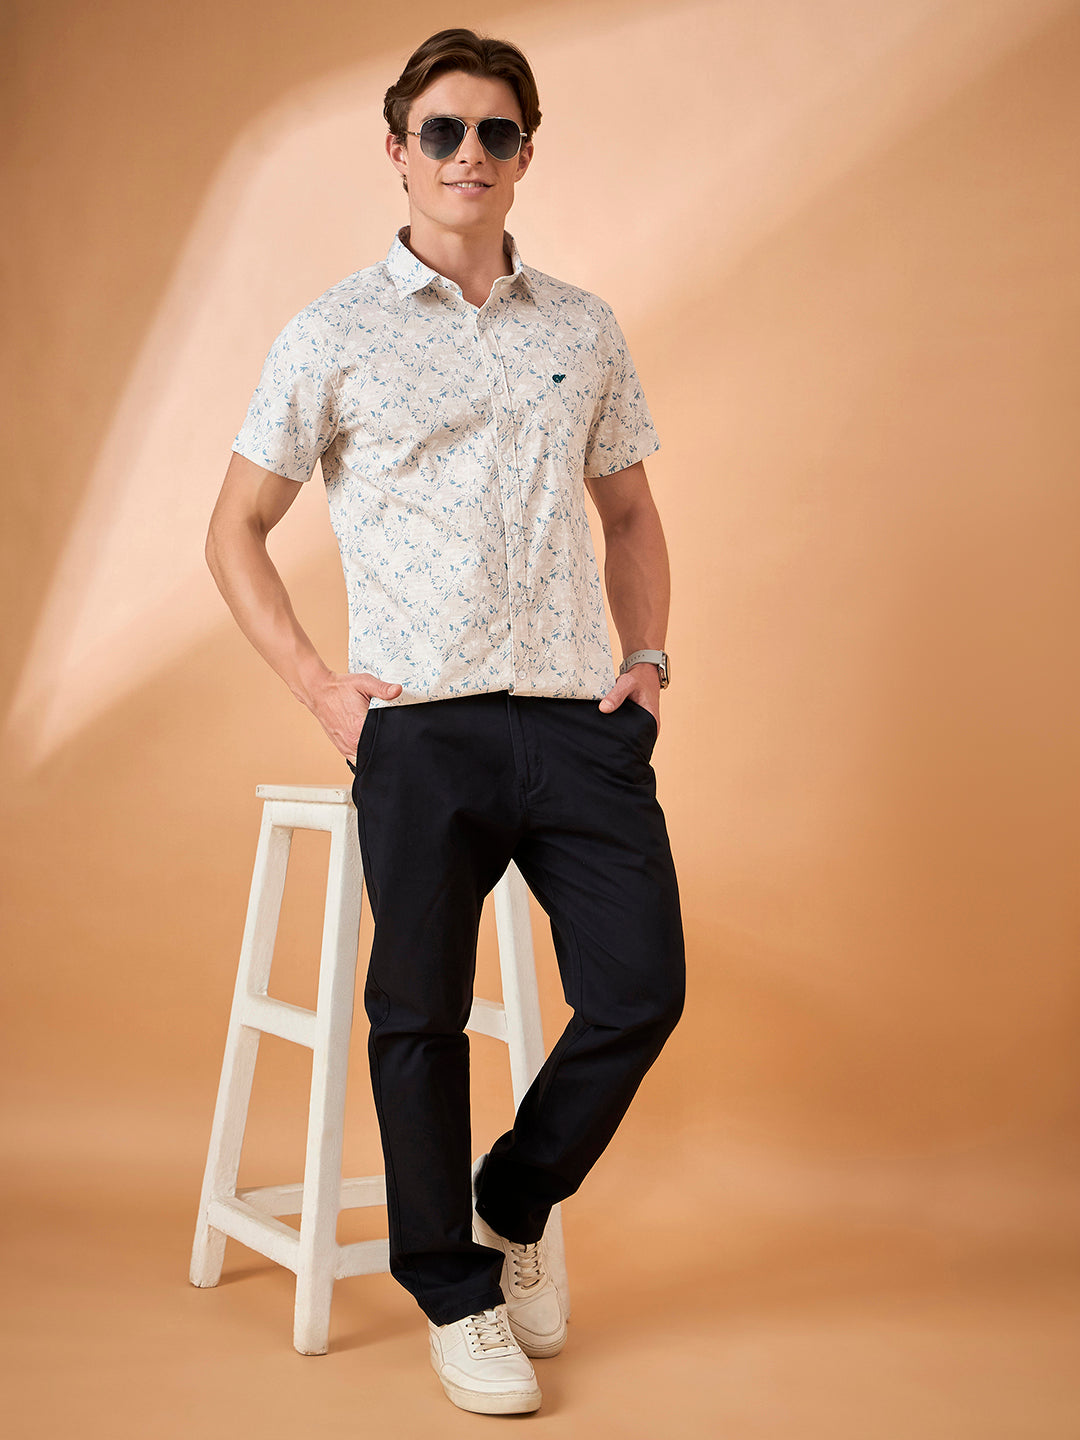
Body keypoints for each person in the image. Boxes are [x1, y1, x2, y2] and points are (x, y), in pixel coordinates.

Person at [205, 26, 685, 1417]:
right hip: (419, 728)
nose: (469, 154)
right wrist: (320, 686)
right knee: (415, 1013)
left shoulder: (581, 327)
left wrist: (648, 660)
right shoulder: (333, 333)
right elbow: (235, 529)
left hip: (579, 718)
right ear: (398, 150)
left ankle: (510, 1201)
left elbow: (631, 513)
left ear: (526, 152)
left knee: (641, 989)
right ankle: (456, 1294)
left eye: (495, 132)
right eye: (442, 131)